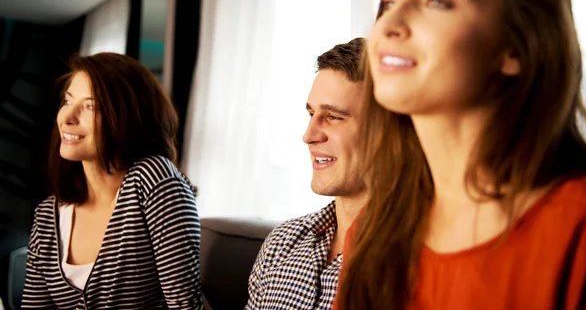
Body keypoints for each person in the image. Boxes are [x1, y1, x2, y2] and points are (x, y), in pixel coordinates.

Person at [335, 0, 586, 310]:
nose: (389, 24)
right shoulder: (371, 232)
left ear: (516, 47)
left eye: (437, 1)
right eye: (389, 1)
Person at [21, 53, 203, 309]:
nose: (67, 117)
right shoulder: (47, 216)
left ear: (127, 116)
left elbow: (185, 306)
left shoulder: (154, 180)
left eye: (90, 106)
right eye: (67, 101)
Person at [246, 38, 368, 309]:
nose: (308, 135)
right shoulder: (281, 243)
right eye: (311, 114)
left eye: (334, 116)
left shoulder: (421, 259)